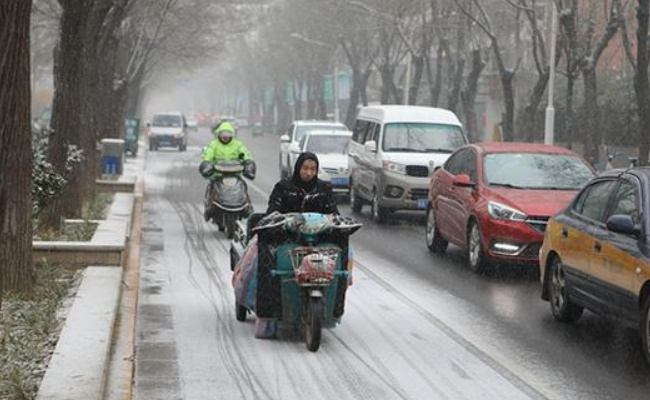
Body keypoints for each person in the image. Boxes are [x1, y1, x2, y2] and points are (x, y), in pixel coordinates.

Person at [200, 121, 254, 222]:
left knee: (243, 185)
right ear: (219, 134)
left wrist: (248, 163)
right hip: (218, 175)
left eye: (228, 134)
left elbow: (245, 153)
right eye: (223, 134)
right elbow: (208, 155)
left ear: (232, 135)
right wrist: (207, 164)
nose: (225, 137)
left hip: (235, 174)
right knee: (211, 185)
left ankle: (248, 206)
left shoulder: (238, 144)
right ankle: (209, 206)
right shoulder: (214, 145)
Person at [267, 151, 339, 214]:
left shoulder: (324, 189)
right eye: (305, 168)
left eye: (313, 169)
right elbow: (273, 214)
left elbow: (333, 215)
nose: (309, 173)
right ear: (298, 168)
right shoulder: (283, 187)